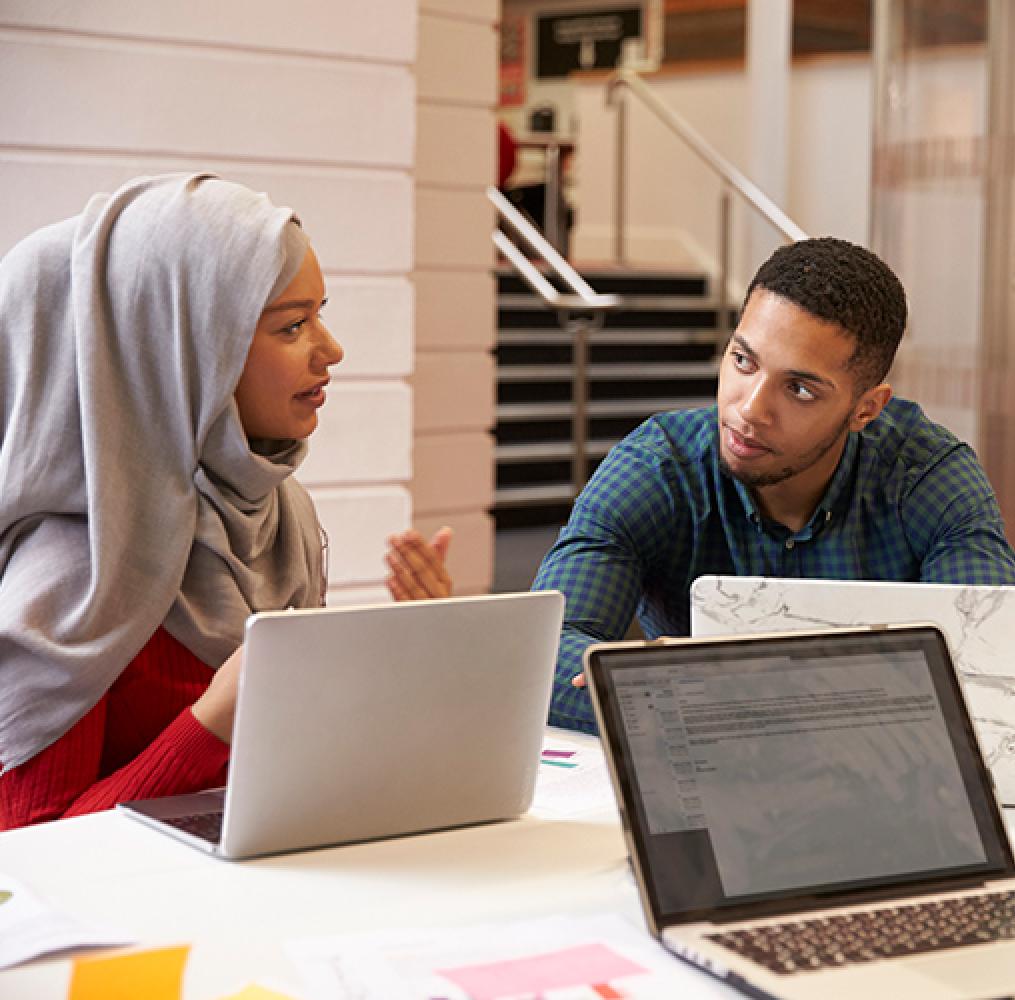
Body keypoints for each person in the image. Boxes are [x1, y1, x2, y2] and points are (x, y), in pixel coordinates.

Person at [0, 173, 451, 829]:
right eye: (292, 326)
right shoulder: (75, 571)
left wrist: (419, 657)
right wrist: (217, 719)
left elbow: (297, 771)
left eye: (320, 315)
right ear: (177, 352)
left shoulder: (276, 516)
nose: (331, 350)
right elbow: (29, 854)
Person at [533, 237, 1015, 733]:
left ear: (866, 408)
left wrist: (684, 694)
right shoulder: (658, 469)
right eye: (744, 361)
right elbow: (542, 653)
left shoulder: (928, 476)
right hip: (710, 774)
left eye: (800, 389)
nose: (749, 410)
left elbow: (991, 670)